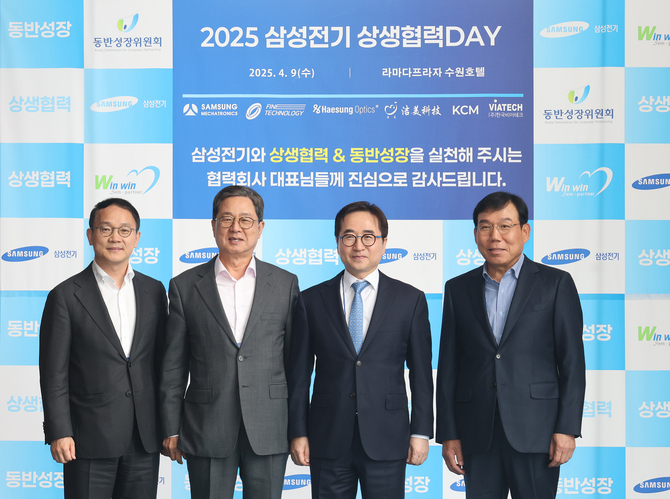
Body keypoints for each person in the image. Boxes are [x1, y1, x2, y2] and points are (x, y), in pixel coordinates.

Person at [436, 191, 586, 499]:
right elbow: (449, 367)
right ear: (476, 234)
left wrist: (567, 428)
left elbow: (572, 363)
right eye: (485, 227)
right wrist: (448, 433)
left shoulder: (556, 283)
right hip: (477, 432)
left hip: (537, 432)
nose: (495, 236)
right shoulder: (457, 288)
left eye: (505, 226)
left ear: (524, 231)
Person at [160, 185, 301, 499]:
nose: (236, 228)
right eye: (226, 219)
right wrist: (170, 426)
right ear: (213, 226)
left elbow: (296, 365)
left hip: (269, 426)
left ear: (260, 228)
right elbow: (173, 367)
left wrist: (299, 428)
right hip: (206, 426)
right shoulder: (184, 287)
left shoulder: (285, 284)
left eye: (245, 220)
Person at [288, 201, 433, 499]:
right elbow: (299, 376)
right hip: (327, 437)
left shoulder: (410, 300)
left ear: (384, 243)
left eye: (368, 237)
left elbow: (421, 373)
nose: (358, 245)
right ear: (338, 243)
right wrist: (298, 431)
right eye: (349, 236)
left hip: (387, 437)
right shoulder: (310, 301)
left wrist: (420, 432)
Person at [39, 198, 168, 499]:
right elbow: (53, 373)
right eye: (105, 229)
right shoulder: (65, 296)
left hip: (144, 437)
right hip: (87, 439)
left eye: (124, 230)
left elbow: (162, 363)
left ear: (137, 237)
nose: (115, 238)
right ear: (90, 235)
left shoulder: (154, 290)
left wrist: (169, 426)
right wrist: (59, 431)